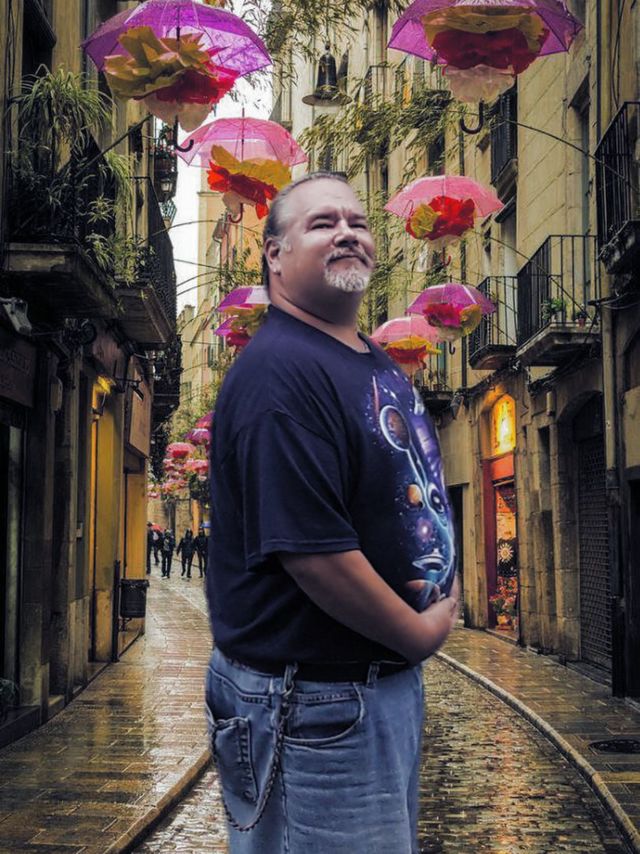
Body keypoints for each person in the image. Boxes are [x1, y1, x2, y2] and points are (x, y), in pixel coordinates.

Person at [206, 172, 459, 853]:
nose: (347, 232)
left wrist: (445, 582)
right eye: (322, 223)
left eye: (358, 221)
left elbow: (416, 485)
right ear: (275, 254)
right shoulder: (280, 373)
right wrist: (417, 633)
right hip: (319, 706)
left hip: (364, 693)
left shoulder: (369, 358)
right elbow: (311, 552)